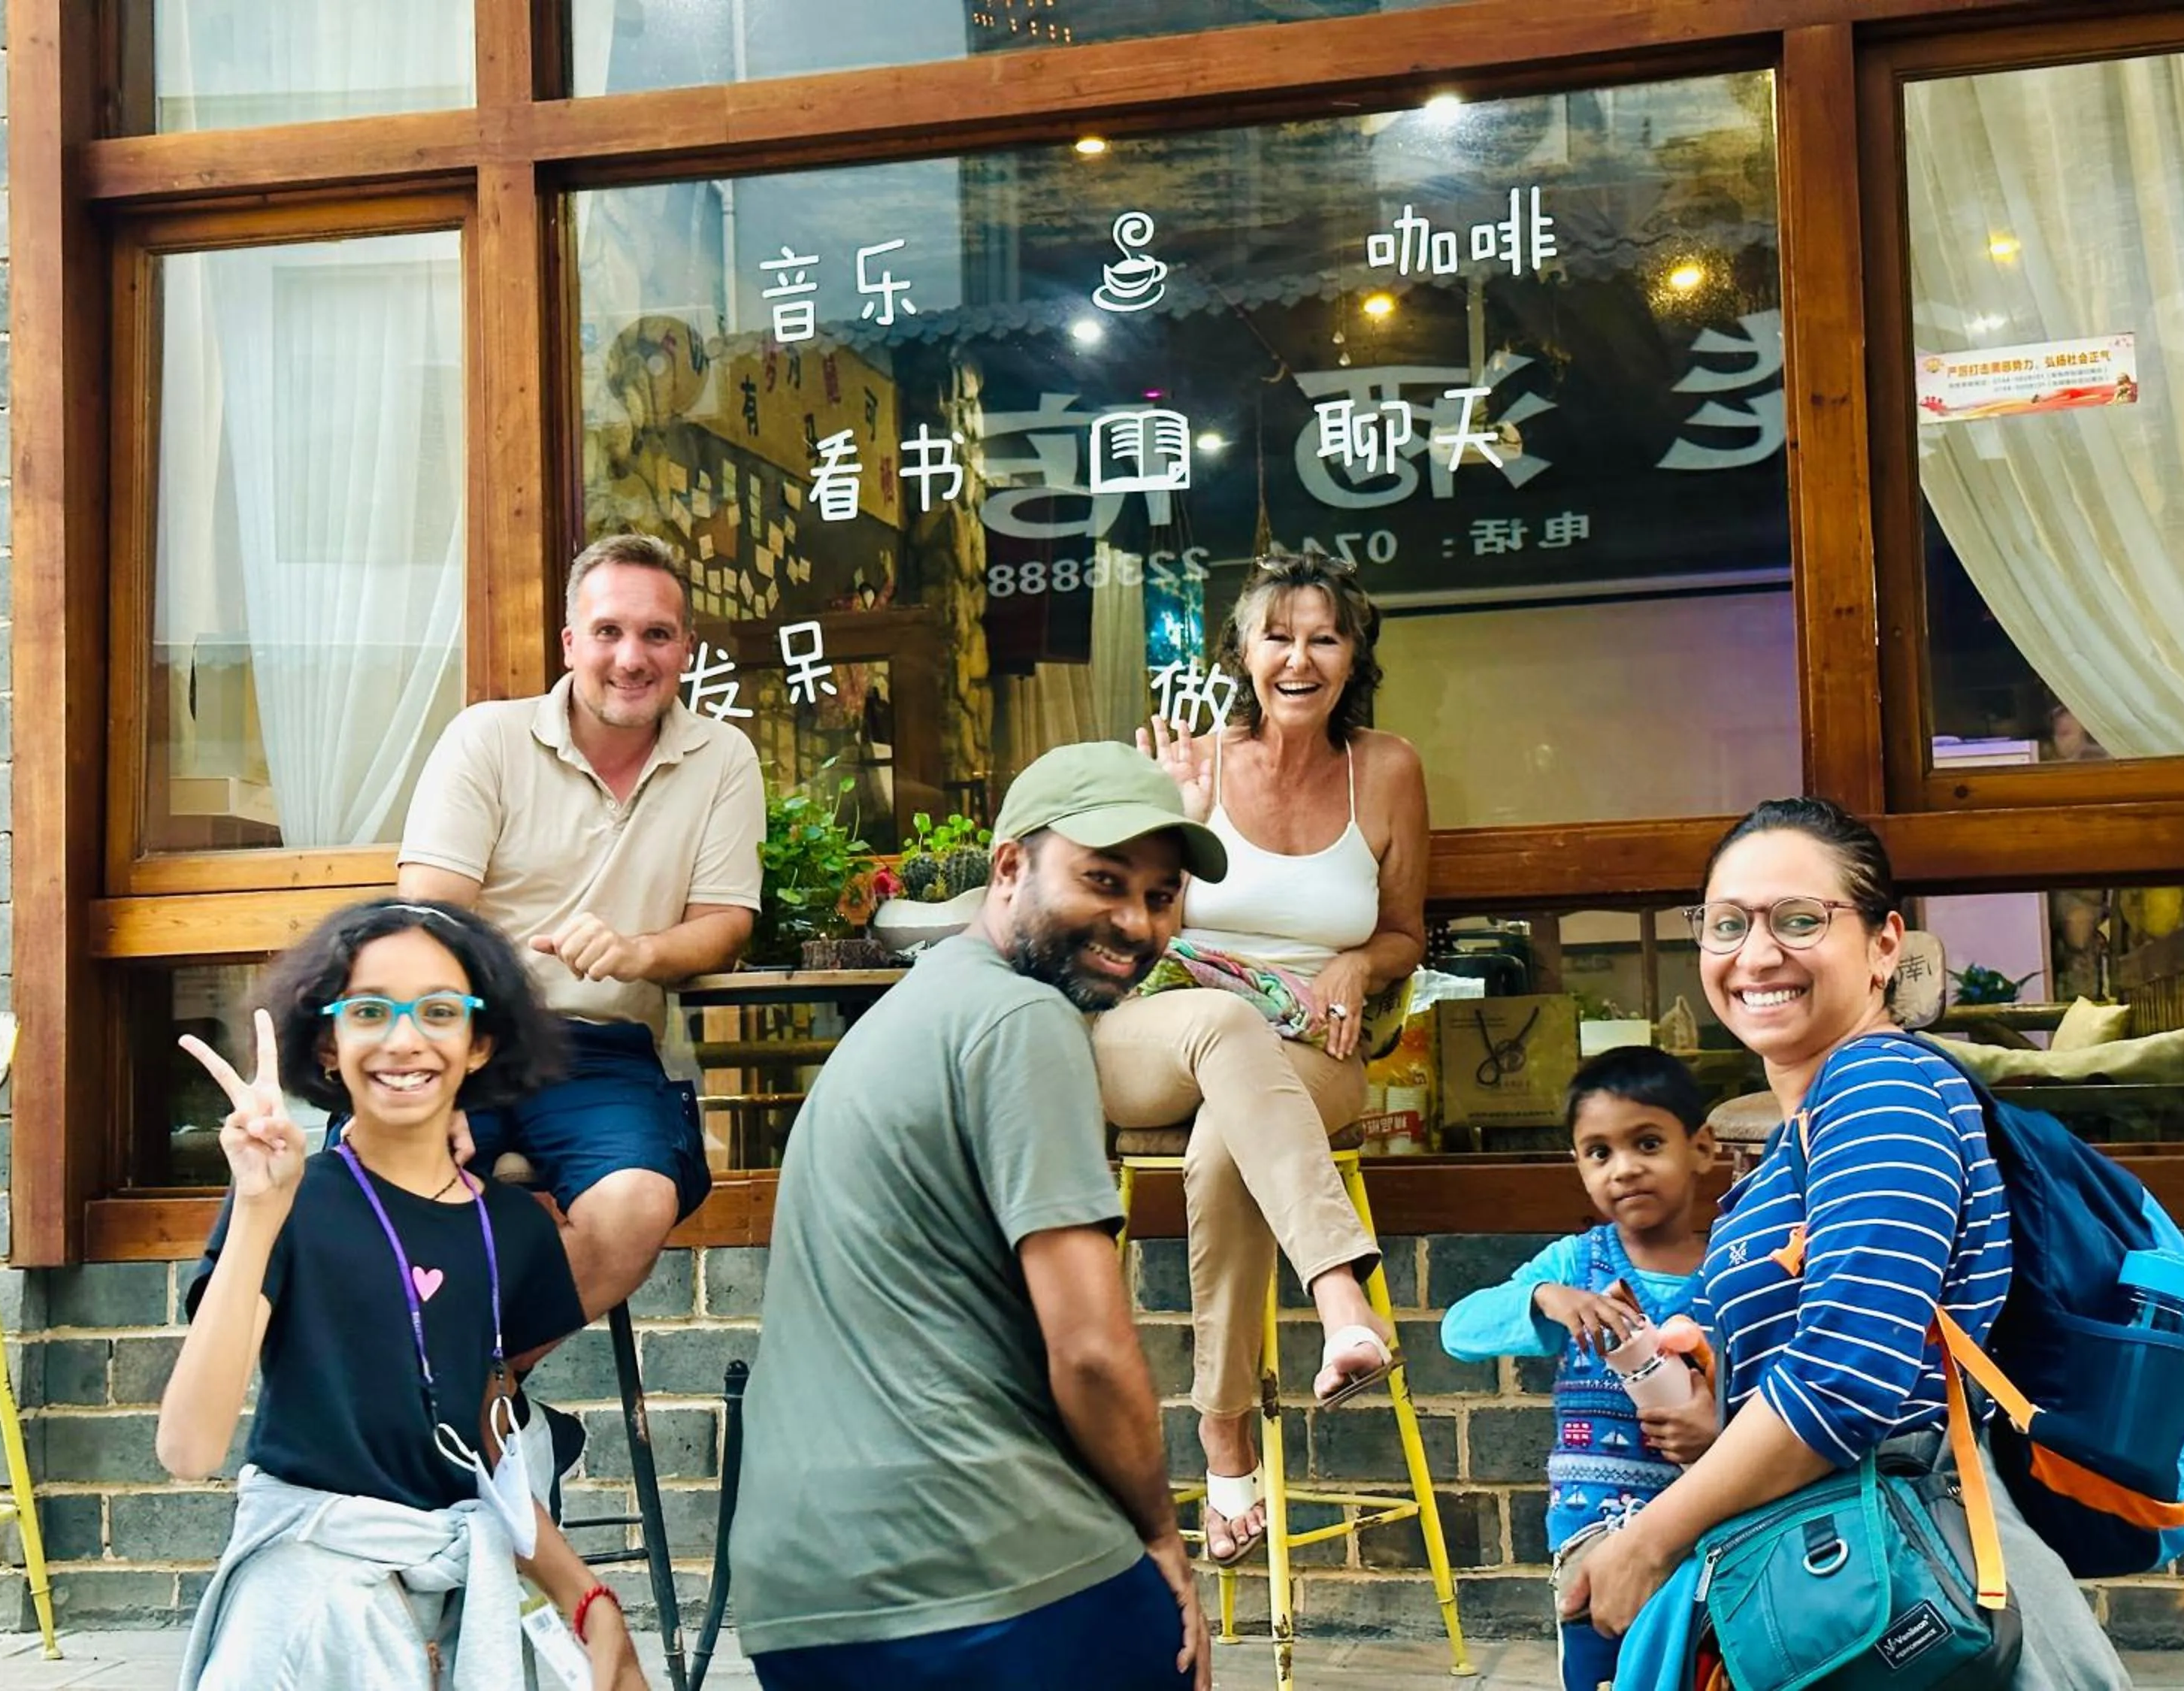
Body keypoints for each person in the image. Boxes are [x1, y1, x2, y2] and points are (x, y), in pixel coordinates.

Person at [1561, 797, 2128, 1690]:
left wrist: (1649, 1540)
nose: (1756, 955)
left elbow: (1846, 1381)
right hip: (1835, 1576)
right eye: (1726, 923)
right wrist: (1720, 1401)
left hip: (1896, 1590)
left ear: (1883, 945)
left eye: (1799, 920)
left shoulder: (1879, 1090)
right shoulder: (1798, 1136)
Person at [731, 741, 1226, 1691]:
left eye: (1161, 897)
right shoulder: (1021, 1023)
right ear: (1010, 866)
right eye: (1104, 879)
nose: (1133, 921)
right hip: (980, 1568)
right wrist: (1163, 1536)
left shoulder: (906, 1016)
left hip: (802, 1595)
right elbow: (1088, 1346)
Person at [162, 899, 647, 1691]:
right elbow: (188, 1450)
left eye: (438, 1011)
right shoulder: (292, 1204)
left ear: (479, 1042)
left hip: (465, 1598)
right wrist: (256, 1208)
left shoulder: (514, 1229)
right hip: (307, 1597)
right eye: (369, 1011)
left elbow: (488, 1439)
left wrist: (590, 1600)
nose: (403, 1038)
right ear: (327, 1043)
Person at [1093, 547, 1429, 1566]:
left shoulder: (1390, 769)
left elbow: (1408, 929)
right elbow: (1117, 933)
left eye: (1323, 635)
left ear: (1353, 652)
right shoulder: (1190, 761)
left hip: (1310, 1042)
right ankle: (1340, 1295)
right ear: (1242, 650)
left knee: (1224, 1147)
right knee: (1226, 1031)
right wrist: (1178, 826)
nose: (1299, 657)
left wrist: (1354, 966)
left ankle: (1223, 1435)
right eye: (1277, 634)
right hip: (1159, 1026)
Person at [398, 531, 767, 1322]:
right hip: (461, 1035)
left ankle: (483, 1395)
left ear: (686, 649)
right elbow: (427, 916)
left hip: (602, 1052)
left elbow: (725, 922)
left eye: (656, 635)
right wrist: (436, 1075)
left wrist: (641, 952)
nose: (631, 657)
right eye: (609, 631)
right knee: (382, 1204)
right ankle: (460, 1415)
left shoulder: (722, 758)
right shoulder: (487, 739)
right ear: (571, 643)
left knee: (635, 1203)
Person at [1441, 1046, 1715, 1691]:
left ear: (1700, 1148)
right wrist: (1542, 1298)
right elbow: (1459, 1329)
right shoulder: (1575, 1265)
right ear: (1579, 1167)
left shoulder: (1732, 1267)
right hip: (1592, 1535)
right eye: (1600, 1153)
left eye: (1647, 1143)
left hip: (1709, 1535)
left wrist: (1714, 1435)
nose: (1624, 1169)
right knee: (1603, 1677)